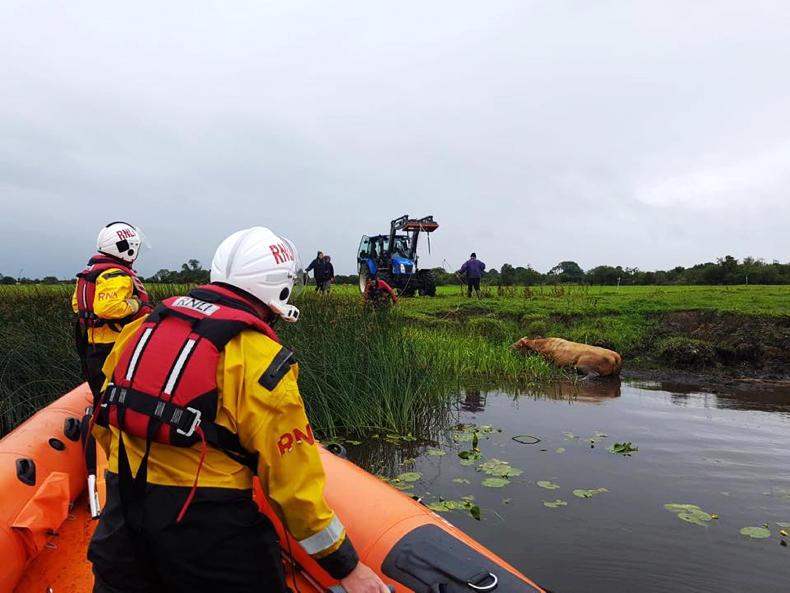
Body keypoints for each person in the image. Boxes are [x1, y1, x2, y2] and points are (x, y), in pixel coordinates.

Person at [88, 226, 389, 593]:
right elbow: (293, 487)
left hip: (121, 526)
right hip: (209, 533)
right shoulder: (263, 361)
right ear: (279, 287)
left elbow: (104, 423)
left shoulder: (138, 331)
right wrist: (347, 567)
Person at [72, 221, 151, 402]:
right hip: (114, 343)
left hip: (91, 344)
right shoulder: (117, 275)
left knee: (100, 391)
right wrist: (135, 304)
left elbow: (77, 305)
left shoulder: (89, 273)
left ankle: (98, 419)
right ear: (127, 249)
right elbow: (107, 309)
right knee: (115, 391)